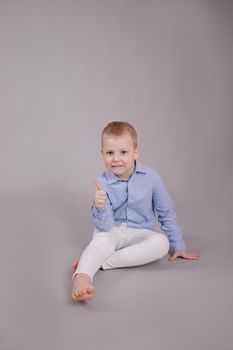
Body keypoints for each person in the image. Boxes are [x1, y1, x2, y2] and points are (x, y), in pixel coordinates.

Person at [71, 121, 200, 301]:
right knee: (100, 242)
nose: (116, 159)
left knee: (161, 243)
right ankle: (82, 278)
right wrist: (99, 206)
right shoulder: (102, 182)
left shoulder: (152, 178)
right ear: (102, 154)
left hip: (141, 232)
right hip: (112, 230)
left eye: (123, 152)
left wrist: (178, 245)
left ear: (135, 152)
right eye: (110, 153)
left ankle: (97, 262)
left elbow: (165, 212)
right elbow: (105, 225)